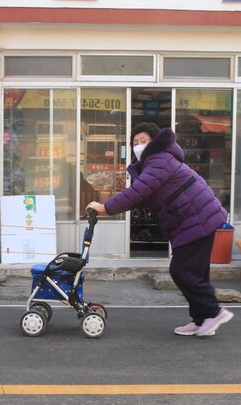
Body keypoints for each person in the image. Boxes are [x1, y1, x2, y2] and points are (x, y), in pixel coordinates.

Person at [87, 122, 233, 337]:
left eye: (143, 141)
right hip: (194, 218)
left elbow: (139, 190)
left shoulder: (159, 159)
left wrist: (106, 207)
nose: (138, 145)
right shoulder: (154, 162)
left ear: (154, 142)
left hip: (197, 217)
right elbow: (144, 195)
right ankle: (202, 320)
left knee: (181, 270)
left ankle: (214, 312)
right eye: (135, 142)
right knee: (196, 272)